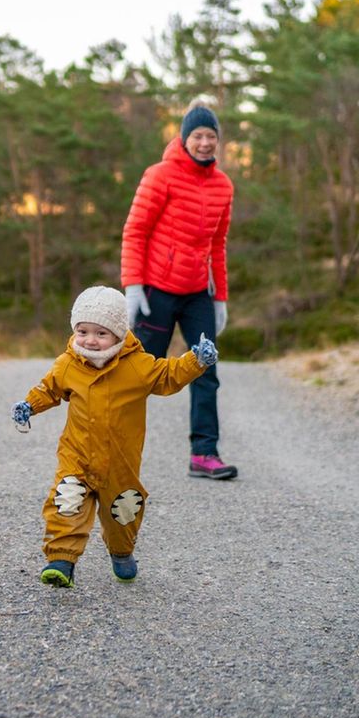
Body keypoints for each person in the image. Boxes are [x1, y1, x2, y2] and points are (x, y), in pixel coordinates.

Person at [11, 286, 218, 588]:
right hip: (77, 456)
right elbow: (49, 389)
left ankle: (121, 552)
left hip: (120, 462)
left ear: (119, 334)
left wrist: (196, 361)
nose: (90, 340)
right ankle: (61, 560)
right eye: (83, 331)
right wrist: (29, 405)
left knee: (124, 510)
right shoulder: (68, 364)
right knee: (65, 501)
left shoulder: (137, 365)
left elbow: (168, 375)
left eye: (101, 333)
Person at [120, 101, 237, 481]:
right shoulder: (160, 175)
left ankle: (204, 453)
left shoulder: (223, 186)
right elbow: (135, 230)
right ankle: (115, 446)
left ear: (218, 141)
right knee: (140, 373)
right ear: (184, 139)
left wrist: (219, 297)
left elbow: (218, 244)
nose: (205, 143)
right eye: (198, 136)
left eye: (211, 137)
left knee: (205, 371)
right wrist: (134, 286)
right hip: (156, 291)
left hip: (197, 293)